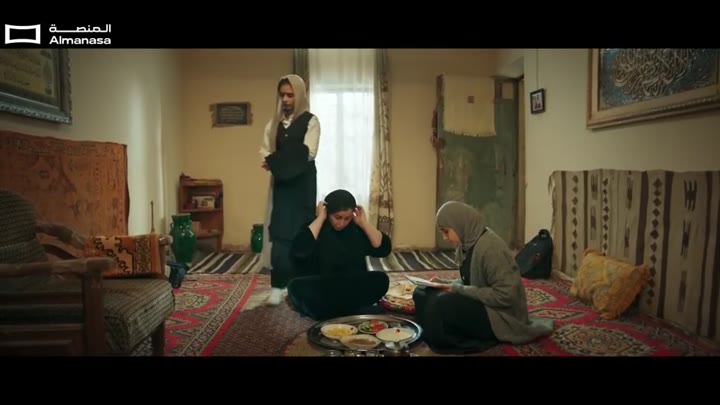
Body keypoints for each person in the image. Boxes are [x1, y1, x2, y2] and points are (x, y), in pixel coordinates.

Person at [412, 201, 554, 354]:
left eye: (446, 232)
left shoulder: (491, 248)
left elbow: (506, 295)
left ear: (459, 224)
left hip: (500, 315)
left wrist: (458, 289)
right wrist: (443, 284)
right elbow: (470, 281)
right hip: (482, 302)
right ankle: (428, 332)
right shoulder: (466, 244)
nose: (445, 237)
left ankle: (454, 341)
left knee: (442, 304)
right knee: (421, 292)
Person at [259, 74, 320, 305]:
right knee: (281, 232)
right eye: (282, 95)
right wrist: (279, 160)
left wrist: (277, 161)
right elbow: (265, 153)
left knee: (302, 231)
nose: (285, 99)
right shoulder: (273, 125)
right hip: (282, 187)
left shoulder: (311, 122)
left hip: (303, 186)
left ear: (299, 95)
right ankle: (277, 286)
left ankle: (299, 285)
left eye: (290, 95)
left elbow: (308, 153)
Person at [286, 189, 392, 320]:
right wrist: (320, 218)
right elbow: (298, 251)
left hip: (349, 286)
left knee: (381, 279)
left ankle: (333, 312)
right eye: (337, 217)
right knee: (295, 287)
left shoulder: (355, 229)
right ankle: (352, 310)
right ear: (327, 212)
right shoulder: (315, 226)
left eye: (347, 218)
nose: (341, 223)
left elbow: (382, 248)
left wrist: (364, 223)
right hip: (323, 286)